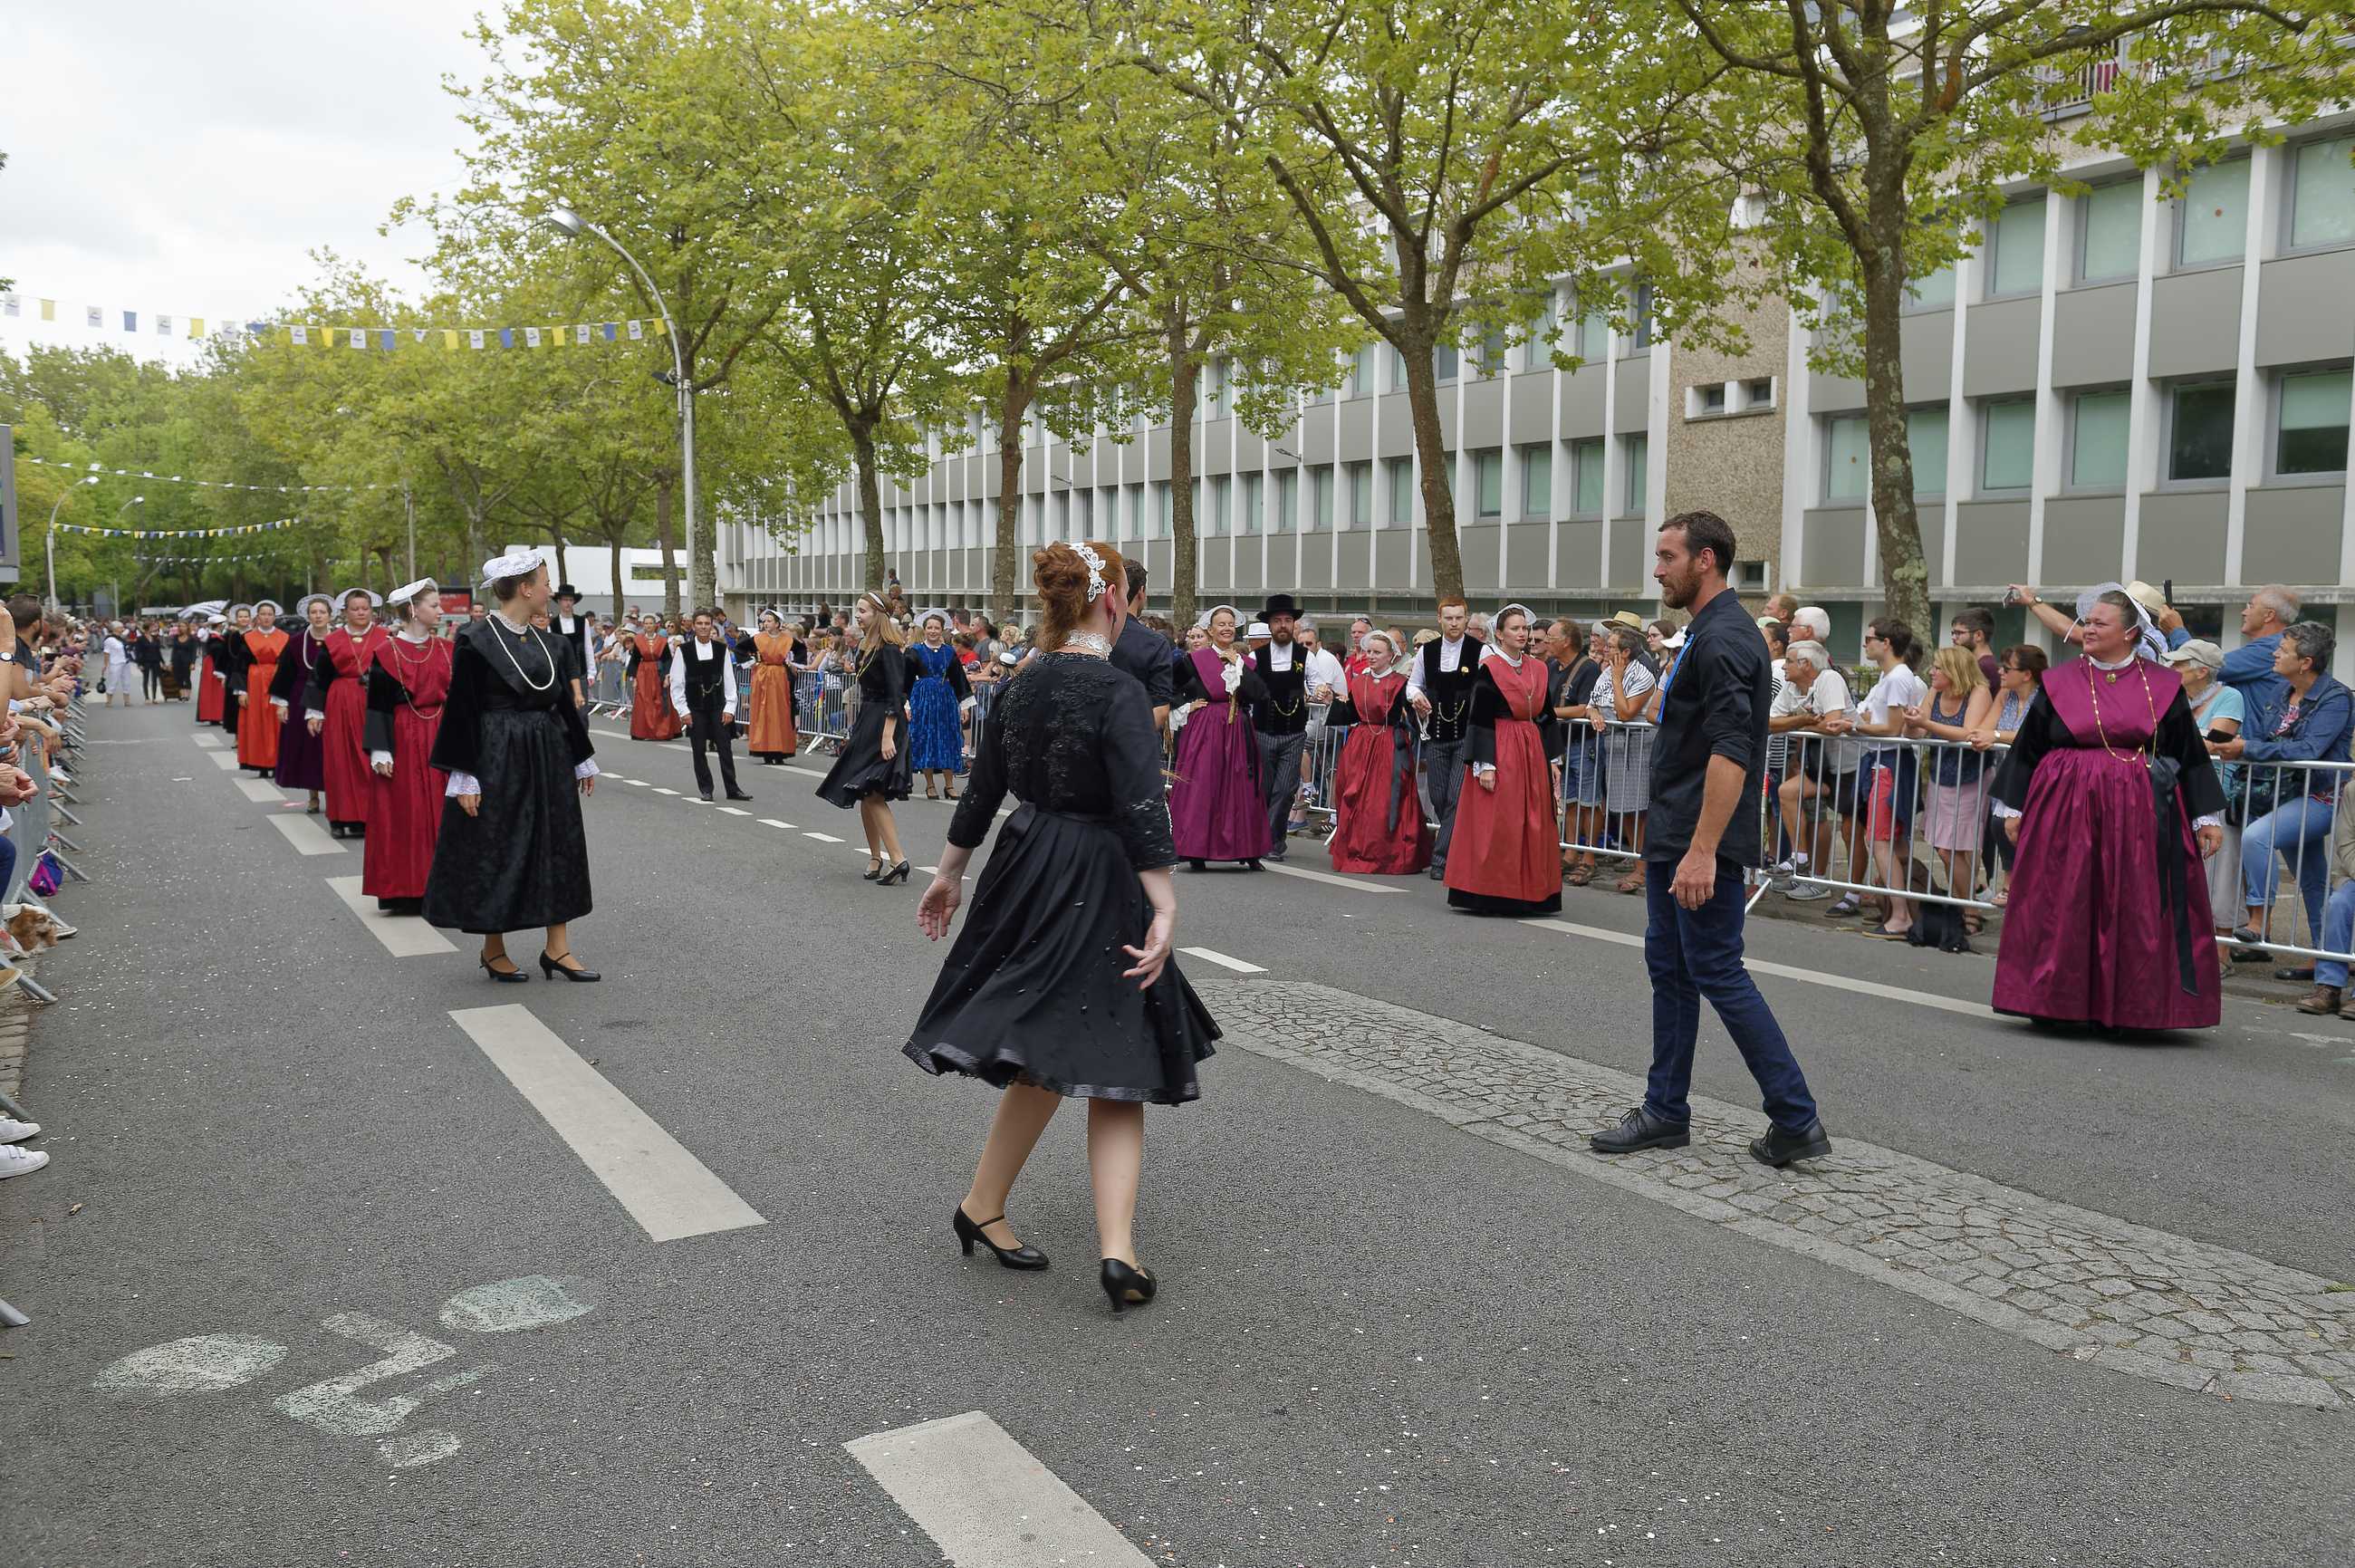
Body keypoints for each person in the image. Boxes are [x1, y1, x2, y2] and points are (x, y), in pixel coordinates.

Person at [905, 539, 1219, 1316]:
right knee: (1116, 1054)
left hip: (1028, 861)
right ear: (1113, 599)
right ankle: (1115, 1251)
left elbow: (982, 788)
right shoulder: (1115, 691)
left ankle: (985, 1203)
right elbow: (1143, 805)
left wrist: (949, 872)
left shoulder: (1019, 682)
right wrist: (1168, 903)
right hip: (1100, 871)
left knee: (1050, 1045)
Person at [1592, 512, 1831, 1168]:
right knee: (1671, 971)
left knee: (1718, 971)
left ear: (1705, 560)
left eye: (1667, 556)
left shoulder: (1726, 637)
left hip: (1701, 838)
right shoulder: (1710, 632)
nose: (1658, 568)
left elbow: (1732, 751)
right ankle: (1666, 1109)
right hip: (1678, 830)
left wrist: (1702, 849)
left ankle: (1795, 1116)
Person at [1989, 589, 2225, 1029]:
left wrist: (2205, 816)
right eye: (2088, 622)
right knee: (2066, 898)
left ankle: (2134, 1007)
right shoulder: (2059, 682)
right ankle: (2057, 1003)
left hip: (2141, 808)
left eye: (2100, 623)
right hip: (2065, 806)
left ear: (2130, 633)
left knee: (2134, 902)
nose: (2089, 630)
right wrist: (2013, 807)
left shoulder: (2162, 684)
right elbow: (2028, 747)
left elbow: (2187, 751)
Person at [424, 549, 600, 982]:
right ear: (525, 588)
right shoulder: (476, 639)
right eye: (545, 582)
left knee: (557, 844)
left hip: (548, 753)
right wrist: (463, 775)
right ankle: (493, 947)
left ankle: (557, 948)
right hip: (497, 755)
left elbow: (560, 705)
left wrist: (582, 758)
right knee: (498, 847)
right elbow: (461, 710)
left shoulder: (550, 641)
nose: (550, 590)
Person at [2218, 620, 2350, 956]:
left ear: (2305, 662)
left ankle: (2258, 919)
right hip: (2287, 795)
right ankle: (2324, 960)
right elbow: (2266, 738)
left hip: (2321, 796)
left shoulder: (2336, 698)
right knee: (2312, 878)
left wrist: (2247, 748)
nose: (2275, 653)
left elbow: (2308, 750)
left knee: (2257, 837)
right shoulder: (2281, 691)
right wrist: (2244, 745)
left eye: (2283, 649)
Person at [1444, 606, 1562, 916]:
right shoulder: (1490, 668)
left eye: (1524, 628)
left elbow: (1547, 715)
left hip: (1531, 748)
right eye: (1515, 629)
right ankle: (1494, 892)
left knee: (1533, 820)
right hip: (1502, 745)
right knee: (1502, 821)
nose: (1522, 633)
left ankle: (1532, 891)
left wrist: (1553, 759)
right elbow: (1480, 717)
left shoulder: (1539, 668)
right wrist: (1486, 764)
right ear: (1500, 633)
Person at [362, 580, 453, 915]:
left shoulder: (447, 648)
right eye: (434, 605)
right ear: (414, 610)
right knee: (406, 812)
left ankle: (446, 885)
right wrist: (380, 750)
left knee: (446, 810)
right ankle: (407, 889)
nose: (441, 610)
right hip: (402, 736)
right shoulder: (386, 654)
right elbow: (377, 706)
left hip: (441, 735)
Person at [814, 592, 913, 882]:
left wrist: (887, 735)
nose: (858, 615)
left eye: (863, 611)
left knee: (872, 793)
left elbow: (897, 694)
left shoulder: (891, 649)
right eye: (857, 610)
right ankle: (875, 857)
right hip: (867, 721)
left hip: (885, 724)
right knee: (863, 792)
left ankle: (898, 859)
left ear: (878, 615)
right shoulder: (867, 647)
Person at [1904, 644, 1996, 935]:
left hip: (1971, 777)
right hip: (1941, 776)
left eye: (1939, 667)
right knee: (1947, 847)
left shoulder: (1978, 691)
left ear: (1955, 671)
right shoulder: (1935, 692)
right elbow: (1919, 732)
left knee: (1951, 849)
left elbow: (1969, 733)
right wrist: (1911, 722)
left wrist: (1925, 722)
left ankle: (1970, 907)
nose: (1932, 672)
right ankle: (1961, 902)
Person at [1169, 604, 1270, 871]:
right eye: (1220, 624)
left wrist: (1239, 665)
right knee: (1203, 784)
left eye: (1230, 624)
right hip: (1207, 728)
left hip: (1238, 730)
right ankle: (1197, 849)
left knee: (1241, 786)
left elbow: (1260, 694)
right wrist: (1185, 707)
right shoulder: (1196, 660)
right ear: (1210, 630)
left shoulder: (1246, 663)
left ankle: (1248, 849)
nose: (1226, 628)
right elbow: (1169, 687)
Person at [1327, 630, 1432, 875]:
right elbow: (1352, 713)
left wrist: (1421, 713)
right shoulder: (1359, 681)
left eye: (1377, 652)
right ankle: (1355, 849)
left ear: (1390, 656)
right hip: (1360, 744)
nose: (1371, 656)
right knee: (1354, 796)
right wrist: (1334, 701)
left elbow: (1413, 719)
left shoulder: (1400, 683)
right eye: (1369, 651)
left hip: (1388, 745)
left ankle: (1385, 852)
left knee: (1384, 800)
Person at [2161, 640, 2244, 934]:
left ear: (2202, 671)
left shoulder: (2229, 696)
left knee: (2219, 868)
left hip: (2216, 790)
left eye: (2179, 665)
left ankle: (2222, 949)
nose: (2170, 669)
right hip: (2175, 789)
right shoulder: (2172, 697)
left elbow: (2216, 743)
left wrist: (2187, 740)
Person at [1405, 597, 1486, 880]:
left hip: (1466, 735)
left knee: (1454, 798)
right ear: (1439, 619)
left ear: (1467, 619)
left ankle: (1441, 860)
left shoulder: (1481, 650)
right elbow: (1412, 684)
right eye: (1448, 618)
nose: (1454, 623)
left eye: (1459, 618)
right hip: (1436, 735)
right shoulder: (1427, 651)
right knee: (1440, 798)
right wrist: (1416, 697)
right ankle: (1455, 843)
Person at [303, 588, 389, 840]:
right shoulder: (333, 640)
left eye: (365, 609)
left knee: (369, 759)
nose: (361, 613)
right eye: (355, 609)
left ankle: (367, 816)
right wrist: (314, 712)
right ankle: (340, 818)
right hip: (340, 702)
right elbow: (319, 677)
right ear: (345, 612)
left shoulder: (386, 637)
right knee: (339, 761)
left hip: (375, 702)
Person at [1966, 644, 2048, 909]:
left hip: (2034, 773)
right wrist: (1989, 736)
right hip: (2006, 772)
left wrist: (1998, 737)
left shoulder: (2045, 697)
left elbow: (2036, 737)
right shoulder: (2005, 695)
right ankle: (2011, 883)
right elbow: (1985, 730)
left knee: (2021, 831)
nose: (2000, 671)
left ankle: (2030, 889)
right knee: (1999, 827)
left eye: (2007, 668)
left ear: (2026, 674)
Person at [1589, 624, 1657, 894]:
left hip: (1637, 747)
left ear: (1626, 652)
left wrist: (1617, 678)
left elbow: (1626, 712)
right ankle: (1637, 861)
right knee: (1623, 808)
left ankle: (1644, 868)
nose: (1605, 650)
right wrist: (1593, 712)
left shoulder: (1643, 676)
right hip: (1615, 747)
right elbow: (1593, 701)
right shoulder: (1605, 672)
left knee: (1639, 809)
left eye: (1612, 648)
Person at [1248, 594, 1316, 862]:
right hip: (1263, 731)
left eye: (1287, 620)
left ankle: (1274, 842)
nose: (1283, 626)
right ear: (1270, 626)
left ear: (1294, 624)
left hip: (1293, 733)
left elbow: (1317, 686)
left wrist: (1322, 692)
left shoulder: (1305, 657)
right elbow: (1247, 692)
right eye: (1278, 621)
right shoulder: (1256, 656)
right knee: (1264, 789)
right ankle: (1261, 837)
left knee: (1285, 789)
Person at [668, 608, 750, 803]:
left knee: (725, 747)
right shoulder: (684, 651)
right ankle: (706, 788)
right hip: (695, 705)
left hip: (717, 705)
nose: (703, 627)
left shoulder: (721, 649)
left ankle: (733, 788)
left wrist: (730, 707)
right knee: (698, 749)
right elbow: (677, 682)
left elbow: (730, 680)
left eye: (707, 624)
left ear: (712, 625)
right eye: (700, 624)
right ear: (694, 626)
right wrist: (683, 710)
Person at [270, 593, 336, 815]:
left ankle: (337, 796)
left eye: (322, 612)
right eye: (314, 612)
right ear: (308, 616)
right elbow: (285, 674)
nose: (318, 616)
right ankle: (313, 796)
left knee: (333, 749)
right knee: (309, 749)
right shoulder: (297, 641)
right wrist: (282, 703)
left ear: (330, 615)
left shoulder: (339, 640)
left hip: (332, 697)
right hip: (302, 698)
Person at [1558, 623, 1608, 887]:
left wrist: (1551, 712)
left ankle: (1589, 857)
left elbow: (1586, 707)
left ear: (1566, 641)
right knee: (1570, 800)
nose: (1546, 642)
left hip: (1585, 742)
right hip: (1564, 744)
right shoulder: (1554, 668)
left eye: (1552, 637)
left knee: (1589, 801)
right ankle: (1570, 852)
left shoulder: (1587, 668)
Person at [907, 610, 974, 799]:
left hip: (946, 700)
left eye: (936, 628)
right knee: (928, 739)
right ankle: (930, 785)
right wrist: (907, 704)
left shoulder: (949, 652)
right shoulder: (915, 651)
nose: (933, 631)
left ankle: (949, 784)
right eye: (930, 628)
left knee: (948, 740)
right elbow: (906, 679)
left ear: (942, 630)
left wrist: (965, 705)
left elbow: (959, 679)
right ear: (925, 629)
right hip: (923, 701)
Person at [1108, 556, 1175, 732]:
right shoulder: (1155, 643)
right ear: (1141, 591)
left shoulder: (1088, 633)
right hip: (1135, 740)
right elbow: (1160, 709)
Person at [236, 602, 288, 776]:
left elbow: (289, 666)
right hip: (254, 682)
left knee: (277, 721)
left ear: (274, 616)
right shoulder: (247, 637)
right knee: (256, 722)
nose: (266, 617)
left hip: (278, 679)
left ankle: (277, 762)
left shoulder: (285, 637)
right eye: (263, 614)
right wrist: (242, 691)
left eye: (269, 614)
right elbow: (241, 666)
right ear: (257, 617)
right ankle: (261, 764)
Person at [745, 608, 801, 765]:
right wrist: (752, 663)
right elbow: (740, 649)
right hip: (762, 676)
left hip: (780, 676)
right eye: (765, 621)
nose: (766, 623)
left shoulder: (787, 639)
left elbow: (801, 650)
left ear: (777, 623)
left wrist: (794, 664)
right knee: (764, 712)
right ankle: (765, 749)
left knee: (781, 711)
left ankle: (781, 749)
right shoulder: (758, 638)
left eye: (769, 621)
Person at [628, 617, 681, 742]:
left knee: (660, 700)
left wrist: (668, 675)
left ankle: (662, 731)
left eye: (651, 623)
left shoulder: (662, 640)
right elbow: (635, 659)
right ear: (643, 625)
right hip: (644, 672)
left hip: (659, 671)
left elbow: (667, 659)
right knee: (643, 701)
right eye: (646, 624)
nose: (648, 626)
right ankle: (641, 731)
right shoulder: (639, 639)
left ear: (655, 625)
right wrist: (634, 677)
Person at [550, 583, 591, 706]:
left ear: (574, 602)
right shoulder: (552, 624)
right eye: (565, 600)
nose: (568, 603)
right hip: (560, 672)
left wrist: (592, 671)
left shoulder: (583, 622)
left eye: (570, 600)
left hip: (580, 671)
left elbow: (588, 647)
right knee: (563, 708)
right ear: (559, 602)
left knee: (581, 710)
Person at [1951, 606, 2000, 688]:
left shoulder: (1985, 667)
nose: (1953, 637)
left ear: (1978, 635)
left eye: (1959, 633)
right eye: (1953, 633)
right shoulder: (1980, 664)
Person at [101, 622, 131, 707]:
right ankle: (109, 701)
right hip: (115, 662)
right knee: (113, 681)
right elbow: (106, 652)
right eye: (121, 627)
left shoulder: (121, 638)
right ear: (115, 629)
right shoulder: (109, 640)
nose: (123, 629)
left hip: (125, 661)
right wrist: (105, 664)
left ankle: (127, 701)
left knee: (127, 681)